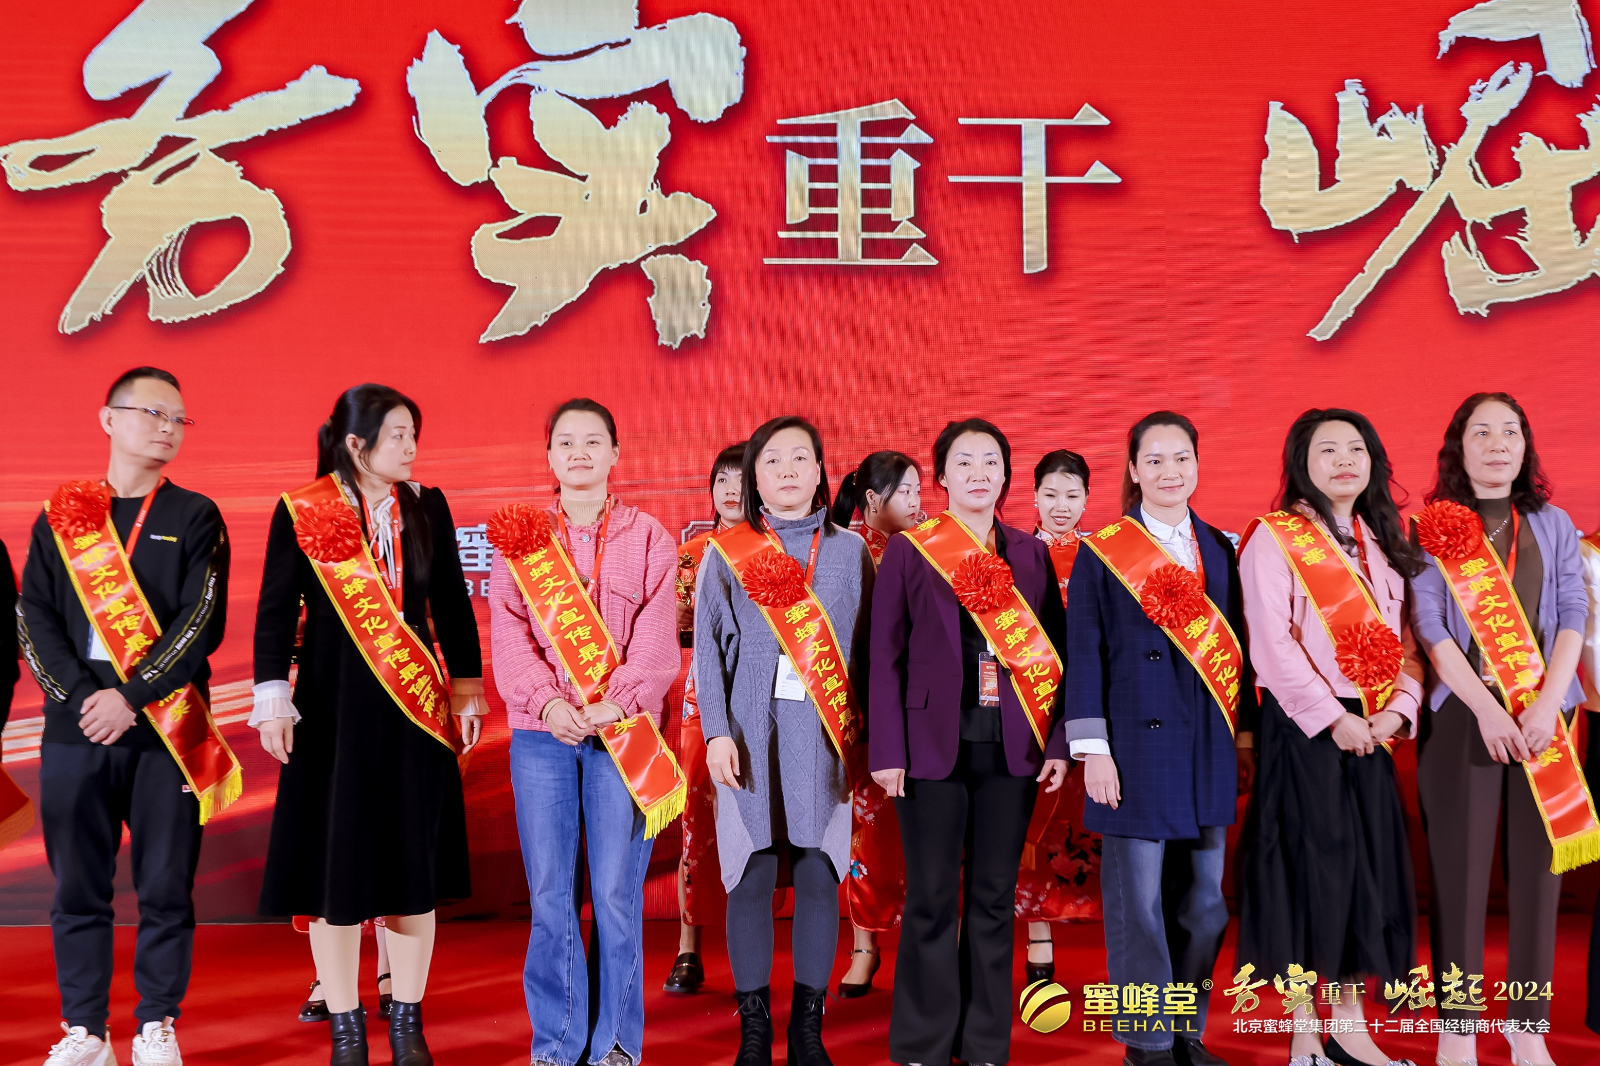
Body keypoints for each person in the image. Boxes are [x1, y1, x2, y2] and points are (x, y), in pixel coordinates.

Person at [252, 384, 486, 1066]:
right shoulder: (304, 508)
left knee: (411, 869)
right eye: (398, 434)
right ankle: (346, 1031)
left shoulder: (426, 506)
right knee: (336, 873)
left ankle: (407, 1024)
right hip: (332, 716)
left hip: (414, 716)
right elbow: (275, 609)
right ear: (356, 444)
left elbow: (452, 604)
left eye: (414, 433)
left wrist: (467, 691)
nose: (411, 446)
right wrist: (273, 695)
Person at [19, 367, 233, 1066]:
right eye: (153, 413)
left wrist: (131, 696)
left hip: (164, 730)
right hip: (76, 727)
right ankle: (86, 1030)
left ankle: (156, 1025)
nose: (167, 428)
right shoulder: (64, 515)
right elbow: (34, 616)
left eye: (178, 419)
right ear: (108, 419)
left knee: (166, 887)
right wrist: (84, 699)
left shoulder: (195, 515)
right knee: (77, 887)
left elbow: (200, 622)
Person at [869, 418, 1069, 1066]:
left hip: (1012, 749)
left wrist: (1058, 743)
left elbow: (1057, 656)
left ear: (1006, 475)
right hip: (928, 747)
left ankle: (984, 1043)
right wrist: (887, 751)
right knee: (930, 898)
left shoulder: (1030, 554)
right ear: (942, 477)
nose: (979, 473)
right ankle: (923, 1044)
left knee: (992, 899)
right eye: (965, 462)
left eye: (991, 461)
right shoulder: (911, 550)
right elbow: (884, 657)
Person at [489, 398, 680, 1066]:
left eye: (593, 441)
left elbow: (657, 642)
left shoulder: (650, 537)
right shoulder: (521, 540)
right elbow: (508, 636)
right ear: (549, 456)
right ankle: (557, 1041)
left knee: (617, 896)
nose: (579, 453)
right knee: (550, 895)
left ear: (615, 453)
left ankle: (617, 1043)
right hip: (541, 736)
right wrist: (546, 702)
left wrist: (616, 702)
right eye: (565, 442)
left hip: (623, 739)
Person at [1063, 411, 1256, 1066]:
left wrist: (1245, 740)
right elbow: (1084, 654)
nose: (1170, 471)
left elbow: (1239, 655)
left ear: (1197, 464)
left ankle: (1185, 1030)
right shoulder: (1103, 551)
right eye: (1155, 460)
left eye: (1182, 458)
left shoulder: (1221, 548)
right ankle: (1147, 1043)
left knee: (1205, 905)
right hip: (1132, 750)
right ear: (1134, 469)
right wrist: (1094, 751)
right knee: (1139, 906)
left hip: (1204, 747)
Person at [1234, 409, 1425, 1066]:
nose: (1344, 460)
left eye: (1356, 448)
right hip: (1307, 729)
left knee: (1361, 875)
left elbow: (1408, 644)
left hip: (1373, 729)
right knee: (1302, 874)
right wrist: (1331, 717)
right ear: (1301, 463)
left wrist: (1398, 712)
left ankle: (1348, 1026)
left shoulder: (1385, 542)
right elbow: (1270, 644)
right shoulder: (1275, 538)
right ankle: (1302, 1033)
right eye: (1327, 449)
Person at [1411, 393, 1592, 1066]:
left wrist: (1547, 705)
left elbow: (1572, 610)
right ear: (1458, 449)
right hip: (1465, 714)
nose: (1497, 444)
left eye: (1509, 431)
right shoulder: (1434, 526)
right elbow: (1430, 625)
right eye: (1481, 432)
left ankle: (1527, 1026)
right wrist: (1487, 710)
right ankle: (1457, 1029)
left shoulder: (1552, 522)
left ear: (1525, 445)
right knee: (1458, 875)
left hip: (1546, 712)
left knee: (1539, 876)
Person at [695, 416, 873, 1066]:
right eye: (773, 460)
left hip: (824, 740)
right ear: (754, 477)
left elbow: (871, 652)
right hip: (748, 738)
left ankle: (806, 1030)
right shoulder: (726, 551)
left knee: (820, 875)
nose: (789, 470)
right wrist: (716, 732)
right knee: (751, 876)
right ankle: (753, 1031)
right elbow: (708, 654)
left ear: (821, 471)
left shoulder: (851, 552)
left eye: (802, 458)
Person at [829, 450, 921, 997]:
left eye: (918, 491)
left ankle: (925, 945)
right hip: (861, 708)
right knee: (866, 837)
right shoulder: (844, 548)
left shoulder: (932, 545)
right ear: (871, 498)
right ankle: (864, 945)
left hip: (922, 712)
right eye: (904, 491)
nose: (916, 502)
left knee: (926, 837)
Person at [665, 443, 746, 996]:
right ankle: (687, 946)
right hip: (703, 701)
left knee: (759, 822)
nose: (731, 489)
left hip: (765, 701)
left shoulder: (780, 550)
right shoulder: (692, 554)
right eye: (722, 478)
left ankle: (749, 945)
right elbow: (672, 632)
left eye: (741, 478)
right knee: (697, 814)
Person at [1018, 449, 1101, 985]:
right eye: (1050, 494)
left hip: (1087, 707)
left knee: (1078, 822)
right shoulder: (1014, 553)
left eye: (1072, 495)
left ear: (1088, 499)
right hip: (1031, 707)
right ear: (1034, 497)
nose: (1061, 506)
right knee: (1033, 820)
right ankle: (1037, 934)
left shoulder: (1103, 556)